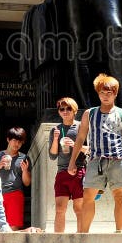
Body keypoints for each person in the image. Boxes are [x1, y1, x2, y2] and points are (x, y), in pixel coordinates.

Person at [68, 74, 122, 233]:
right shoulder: (89, 114)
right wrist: (72, 162)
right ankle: (84, 233)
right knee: (88, 197)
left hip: (118, 160)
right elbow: (80, 138)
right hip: (95, 160)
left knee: (119, 196)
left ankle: (119, 232)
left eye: (109, 92)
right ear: (98, 93)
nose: (105, 96)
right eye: (102, 92)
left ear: (115, 93)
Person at [48, 97, 89, 232]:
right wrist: (55, 139)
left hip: (79, 170)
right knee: (60, 208)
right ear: (59, 112)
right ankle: (58, 240)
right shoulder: (56, 129)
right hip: (62, 171)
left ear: (74, 110)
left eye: (68, 108)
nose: (65, 111)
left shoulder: (81, 127)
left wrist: (76, 145)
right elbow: (53, 155)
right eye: (62, 109)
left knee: (79, 208)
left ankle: (81, 239)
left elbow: (90, 150)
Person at [0, 127, 31, 231]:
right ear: (8, 140)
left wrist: (25, 171)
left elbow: (27, 183)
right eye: (14, 140)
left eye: (20, 141)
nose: (17, 144)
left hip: (15, 194)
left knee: (13, 228)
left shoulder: (24, 158)